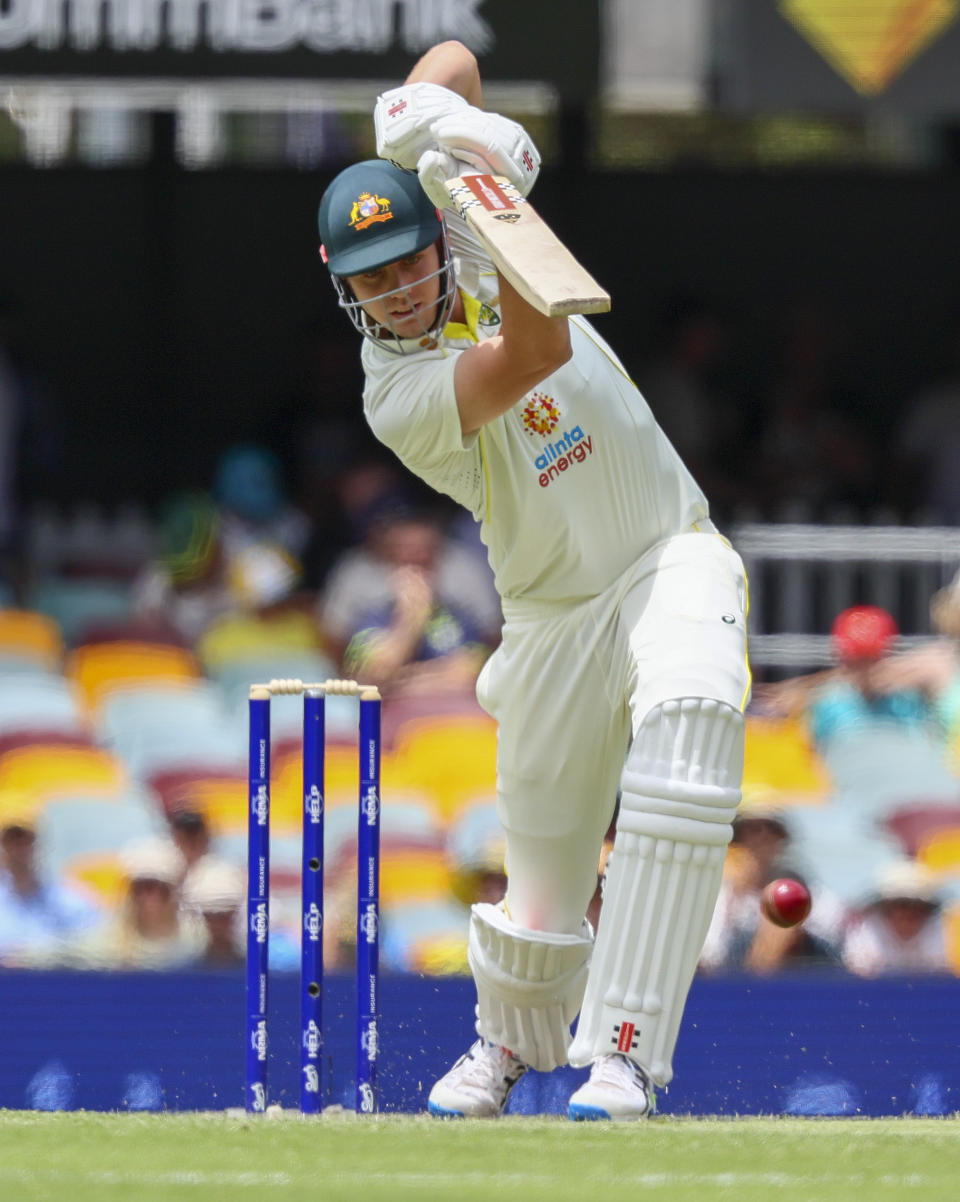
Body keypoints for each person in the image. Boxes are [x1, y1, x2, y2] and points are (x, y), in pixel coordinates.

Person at [315, 41, 750, 1121]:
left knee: (690, 714)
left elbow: (455, 56)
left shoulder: (448, 211)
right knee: (546, 864)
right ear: (347, 295)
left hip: (665, 549)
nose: (398, 293)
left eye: (406, 264)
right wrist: (488, 181)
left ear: (428, 244)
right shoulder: (397, 392)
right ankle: (508, 1049)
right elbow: (539, 345)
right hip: (550, 609)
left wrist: (422, 121)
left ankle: (625, 1053)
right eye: (369, 284)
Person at [0, 791, 103, 960]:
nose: (18, 848)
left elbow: (95, 954)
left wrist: (35, 956)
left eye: (25, 839)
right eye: (11, 840)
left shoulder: (71, 903)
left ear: (37, 842)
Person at [841, 860, 953, 977]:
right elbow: (858, 974)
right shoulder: (868, 928)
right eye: (902, 904)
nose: (910, 913)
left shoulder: (934, 928)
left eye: (918, 906)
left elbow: (938, 976)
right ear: (886, 907)